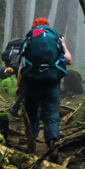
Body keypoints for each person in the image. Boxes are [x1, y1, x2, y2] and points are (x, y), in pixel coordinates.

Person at [16, 17, 72, 158]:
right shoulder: (54, 38)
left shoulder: (30, 38)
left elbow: (22, 65)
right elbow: (68, 60)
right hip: (51, 83)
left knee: (31, 113)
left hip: (32, 83)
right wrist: (63, 44)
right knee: (52, 114)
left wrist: (18, 85)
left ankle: (31, 143)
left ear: (34, 26)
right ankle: (52, 143)